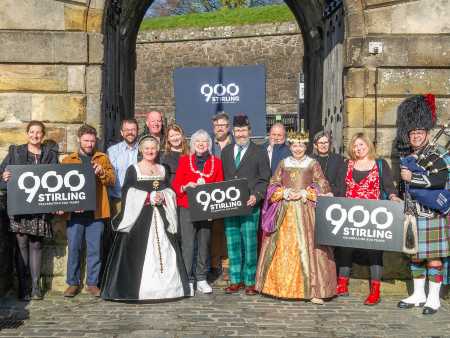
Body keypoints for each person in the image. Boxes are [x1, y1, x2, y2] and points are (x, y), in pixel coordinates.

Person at [101, 136, 189, 301]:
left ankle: (169, 289)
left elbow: (170, 191)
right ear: (141, 150)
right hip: (139, 218)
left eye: (153, 148)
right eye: (147, 148)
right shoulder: (133, 169)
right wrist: (148, 197)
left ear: (157, 150)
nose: (150, 151)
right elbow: (127, 192)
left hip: (161, 216)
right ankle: (137, 290)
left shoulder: (163, 169)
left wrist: (163, 195)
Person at [256, 130, 336, 303]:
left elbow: (323, 185)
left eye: (301, 145)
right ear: (290, 146)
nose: (298, 148)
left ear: (306, 146)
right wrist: (284, 192)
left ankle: (314, 291)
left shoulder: (312, 163)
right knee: (282, 247)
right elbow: (272, 185)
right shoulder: (283, 163)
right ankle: (278, 287)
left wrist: (305, 193)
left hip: (306, 210)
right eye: (294, 145)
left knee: (311, 248)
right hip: (284, 211)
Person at [396, 94, 450, 315]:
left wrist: (413, 178)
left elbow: (439, 180)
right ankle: (418, 294)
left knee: (433, 257)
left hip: (431, 214)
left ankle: (433, 298)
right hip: (411, 214)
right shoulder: (410, 156)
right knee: (415, 255)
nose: (416, 136)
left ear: (427, 133)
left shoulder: (438, 154)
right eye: (412, 133)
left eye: (419, 132)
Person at [335, 133, 400, 305]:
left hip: (373, 214)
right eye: (355, 146)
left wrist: (393, 196)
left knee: (374, 251)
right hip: (349, 213)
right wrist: (330, 195)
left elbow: (389, 186)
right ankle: (342, 283)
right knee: (345, 248)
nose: (358, 148)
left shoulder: (380, 164)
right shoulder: (346, 164)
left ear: (368, 145)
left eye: (361, 145)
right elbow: (339, 188)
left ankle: (375, 291)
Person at [0, 121, 58, 300]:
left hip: (39, 209)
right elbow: (2, 174)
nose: (35, 135)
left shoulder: (50, 154)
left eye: (38, 132)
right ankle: (23, 288)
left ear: (43, 135)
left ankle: (35, 287)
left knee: (36, 245)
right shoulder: (15, 152)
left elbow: (56, 180)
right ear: (27, 134)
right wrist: (5, 176)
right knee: (21, 245)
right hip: (19, 208)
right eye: (32, 132)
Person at [62, 124, 115, 298]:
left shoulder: (102, 158)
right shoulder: (68, 160)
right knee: (75, 248)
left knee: (95, 249)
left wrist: (101, 173)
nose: (89, 144)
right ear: (79, 140)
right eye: (86, 140)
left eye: (92, 141)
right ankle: (73, 283)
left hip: (96, 212)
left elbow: (112, 180)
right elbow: (62, 187)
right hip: (75, 213)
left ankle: (92, 283)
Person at [221, 115, 271, 295]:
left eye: (244, 130)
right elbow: (223, 178)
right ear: (233, 132)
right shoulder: (226, 152)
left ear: (249, 131)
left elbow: (265, 179)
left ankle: (250, 280)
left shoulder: (259, 151)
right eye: (238, 130)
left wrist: (256, 195)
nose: (241, 134)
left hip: (250, 204)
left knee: (250, 244)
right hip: (230, 205)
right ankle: (235, 279)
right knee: (232, 243)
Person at [172, 129, 224, 296]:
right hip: (187, 206)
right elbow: (176, 186)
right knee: (187, 244)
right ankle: (187, 279)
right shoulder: (184, 161)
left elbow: (219, 185)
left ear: (209, 144)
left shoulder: (217, 162)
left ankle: (201, 278)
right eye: (198, 142)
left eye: (205, 141)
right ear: (193, 144)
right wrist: (186, 186)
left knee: (204, 242)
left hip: (207, 209)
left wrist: (213, 209)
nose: (201, 144)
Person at [210, 112, 233, 282]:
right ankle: (214, 264)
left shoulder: (236, 144)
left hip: (232, 192)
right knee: (215, 230)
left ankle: (227, 265)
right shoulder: (209, 145)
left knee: (229, 230)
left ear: (228, 127)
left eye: (223, 125)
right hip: (213, 192)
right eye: (217, 125)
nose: (220, 128)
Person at [107, 119, 139, 218]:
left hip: (139, 199)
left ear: (137, 131)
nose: (130, 132)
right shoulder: (112, 151)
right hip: (118, 199)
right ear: (121, 132)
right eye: (127, 130)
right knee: (118, 231)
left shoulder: (144, 149)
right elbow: (109, 175)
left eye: (133, 129)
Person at [311, 131, 345, 197]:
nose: (323, 145)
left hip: (332, 196)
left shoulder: (338, 159)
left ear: (330, 144)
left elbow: (341, 182)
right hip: (313, 195)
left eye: (326, 142)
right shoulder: (310, 160)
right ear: (315, 145)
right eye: (321, 143)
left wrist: (332, 193)